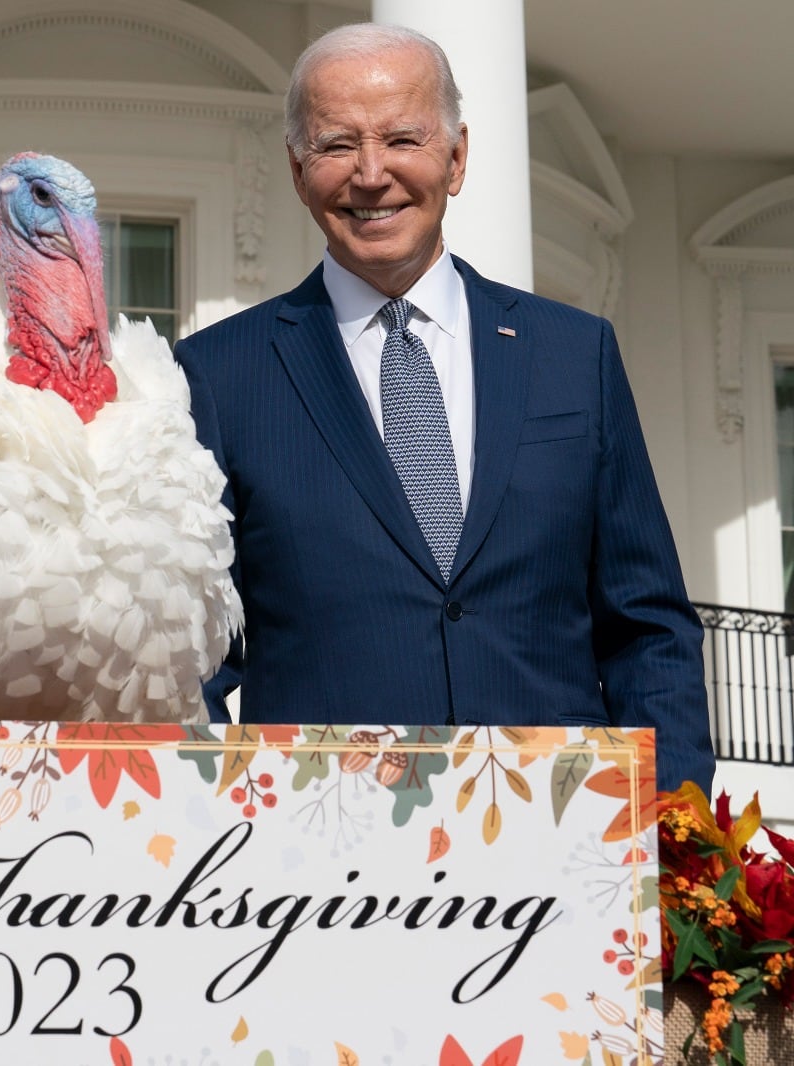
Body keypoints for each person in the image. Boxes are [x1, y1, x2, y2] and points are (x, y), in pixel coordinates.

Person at [173, 23, 715, 793]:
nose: (371, 174)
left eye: (402, 138)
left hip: (561, 843)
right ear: (298, 172)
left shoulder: (573, 353)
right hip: (322, 857)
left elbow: (649, 628)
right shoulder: (218, 374)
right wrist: (213, 822)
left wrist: (673, 822)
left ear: (456, 159)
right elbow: (192, 654)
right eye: (336, 145)